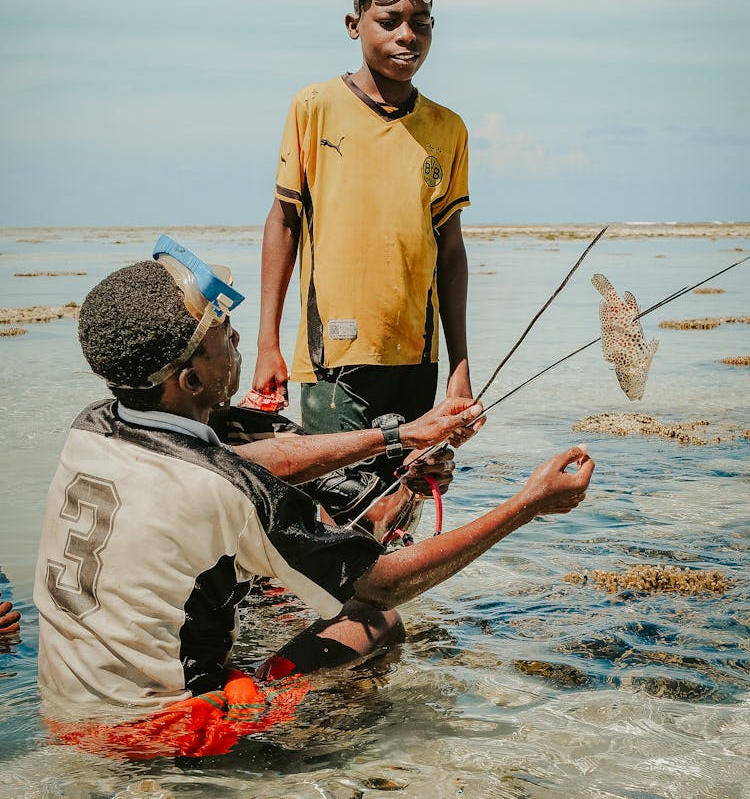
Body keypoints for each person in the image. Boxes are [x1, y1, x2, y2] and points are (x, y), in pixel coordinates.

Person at [34, 236, 594, 760]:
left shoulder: (94, 426)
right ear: (191, 381)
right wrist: (529, 504)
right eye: (220, 331)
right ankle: (339, 758)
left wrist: (403, 436)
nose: (235, 338)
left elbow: (238, 462)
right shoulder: (229, 491)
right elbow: (385, 580)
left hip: (65, 711)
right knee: (376, 621)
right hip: (159, 735)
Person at [252, 0, 473, 501]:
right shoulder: (314, 107)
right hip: (335, 364)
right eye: (389, 21)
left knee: (406, 504)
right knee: (335, 510)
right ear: (354, 25)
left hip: (418, 361)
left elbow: (450, 251)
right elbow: (283, 222)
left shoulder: (448, 129)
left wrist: (459, 366)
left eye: (420, 25)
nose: (407, 37)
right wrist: (267, 343)